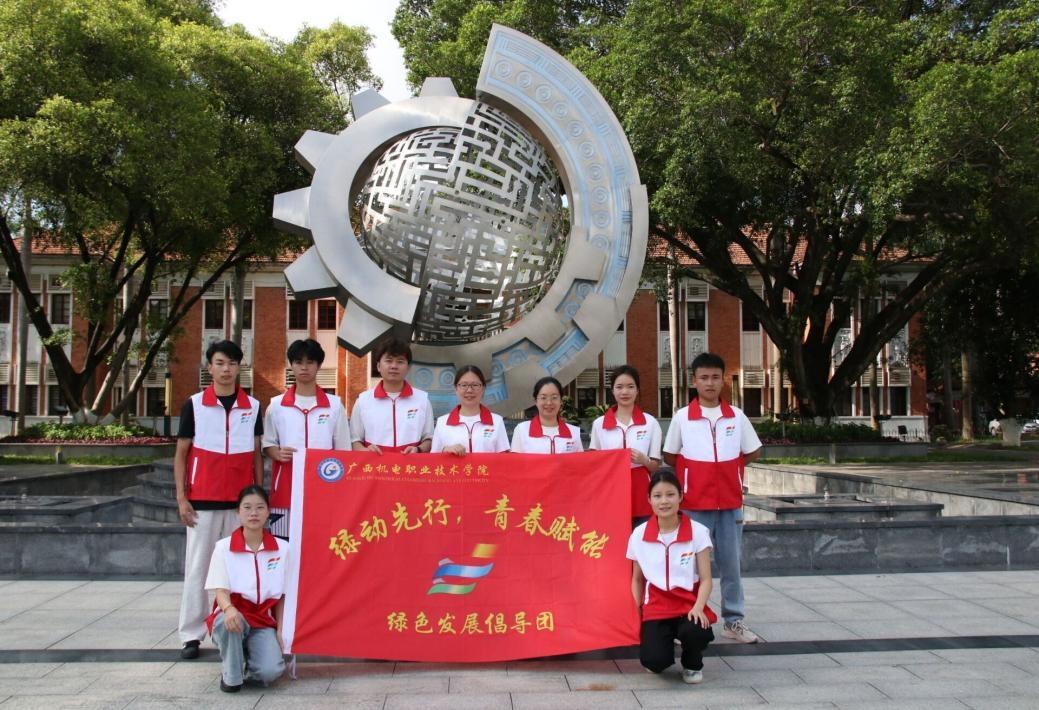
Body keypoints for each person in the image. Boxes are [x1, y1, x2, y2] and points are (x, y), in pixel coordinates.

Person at [662, 352, 762, 644]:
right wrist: (693, 476)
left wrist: (732, 471)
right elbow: (670, 455)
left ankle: (733, 621)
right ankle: (686, 619)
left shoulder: (736, 416)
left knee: (731, 565)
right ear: (694, 381)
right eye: (703, 378)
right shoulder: (682, 417)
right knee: (689, 566)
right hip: (695, 506)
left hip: (730, 504)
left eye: (715, 377)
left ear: (723, 380)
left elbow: (753, 450)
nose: (709, 383)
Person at [175, 340, 263, 660]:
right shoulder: (195, 405)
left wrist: (257, 499)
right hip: (203, 501)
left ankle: (237, 628)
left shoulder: (253, 406)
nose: (226, 369)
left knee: (239, 569)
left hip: (240, 505)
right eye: (220, 363)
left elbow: (256, 455)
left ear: (240, 367)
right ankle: (191, 633)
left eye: (232, 363)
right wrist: (182, 498)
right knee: (198, 567)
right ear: (209, 367)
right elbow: (181, 454)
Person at [627, 469, 716, 684]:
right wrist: (636, 611)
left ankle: (692, 663)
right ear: (649, 499)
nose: (664, 501)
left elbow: (706, 579)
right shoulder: (638, 535)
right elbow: (637, 579)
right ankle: (662, 647)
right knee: (654, 662)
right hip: (656, 607)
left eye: (670, 494)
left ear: (680, 496)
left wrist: (698, 607)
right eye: (657, 496)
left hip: (688, 605)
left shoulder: (698, 532)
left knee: (696, 631)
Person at [262, 339, 349, 538]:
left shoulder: (335, 405)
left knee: (321, 542)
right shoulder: (276, 405)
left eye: (310, 362)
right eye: (298, 362)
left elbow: (343, 450)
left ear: (319, 365)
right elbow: (268, 443)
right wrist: (277, 453)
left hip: (325, 485)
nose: (304, 367)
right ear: (291, 365)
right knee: (283, 543)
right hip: (285, 486)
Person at [205, 485, 287, 692]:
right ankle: (231, 678)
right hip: (234, 614)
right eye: (247, 507)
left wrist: (281, 629)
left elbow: (283, 595)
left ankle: (246, 655)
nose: (253, 513)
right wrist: (228, 609)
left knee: (270, 672)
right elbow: (221, 591)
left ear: (268, 512)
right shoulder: (224, 547)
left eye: (260, 508)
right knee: (230, 622)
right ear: (238, 512)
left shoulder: (283, 549)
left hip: (262, 620)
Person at [589, 365, 662, 522]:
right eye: (619, 387)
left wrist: (644, 460)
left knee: (641, 534)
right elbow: (594, 464)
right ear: (612, 391)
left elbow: (655, 466)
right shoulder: (599, 424)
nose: (625, 392)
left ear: (637, 390)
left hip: (641, 491)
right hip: (610, 490)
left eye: (630, 387)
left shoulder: (651, 423)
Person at [350, 338, 434, 454]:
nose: (394, 366)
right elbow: (354, 440)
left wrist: (418, 449)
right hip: (375, 464)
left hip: (411, 464)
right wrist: (364, 450)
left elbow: (429, 439)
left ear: (408, 367)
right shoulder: (363, 401)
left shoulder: (422, 400)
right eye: (389, 361)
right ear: (378, 366)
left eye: (400, 361)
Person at [430, 365, 510, 455]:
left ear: (483, 388)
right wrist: (444, 451)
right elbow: (433, 459)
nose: (469, 390)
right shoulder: (442, 423)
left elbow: (504, 459)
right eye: (464, 385)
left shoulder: (497, 421)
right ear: (456, 388)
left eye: (475, 385)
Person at [510, 376, 583, 454]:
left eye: (554, 397)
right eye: (543, 398)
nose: (549, 403)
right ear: (535, 401)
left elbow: (581, 461)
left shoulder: (574, 432)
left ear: (561, 401)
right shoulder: (521, 430)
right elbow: (515, 461)